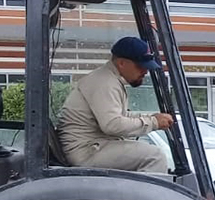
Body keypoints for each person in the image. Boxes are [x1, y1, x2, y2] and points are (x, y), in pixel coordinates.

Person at [58, 36, 175, 173]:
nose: (145, 71)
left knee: (146, 151)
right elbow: (112, 125)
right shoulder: (105, 83)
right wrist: (154, 122)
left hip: (92, 145)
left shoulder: (108, 79)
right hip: (86, 150)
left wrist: (153, 117)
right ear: (121, 63)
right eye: (140, 66)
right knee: (154, 156)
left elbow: (121, 116)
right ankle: (145, 195)